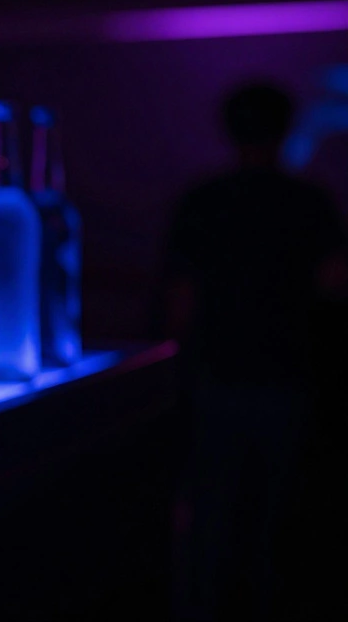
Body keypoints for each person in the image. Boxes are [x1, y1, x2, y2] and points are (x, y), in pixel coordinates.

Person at [160, 83, 347, 620]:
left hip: (218, 378)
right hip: (288, 377)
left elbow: (181, 301)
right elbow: (336, 282)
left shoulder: (204, 199)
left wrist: (176, 378)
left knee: (212, 515)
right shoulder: (309, 201)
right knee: (279, 518)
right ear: (285, 128)